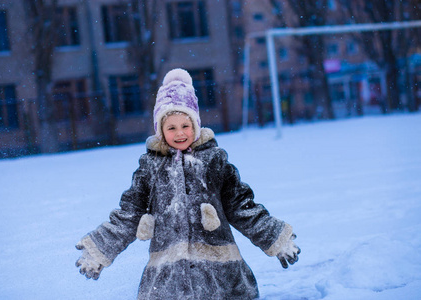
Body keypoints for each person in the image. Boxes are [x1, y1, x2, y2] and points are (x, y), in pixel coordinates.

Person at [75, 68, 301, 299]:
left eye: (186, 125)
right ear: (160, 130)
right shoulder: (150, 169)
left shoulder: (214, 162)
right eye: (171, 127)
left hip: (218, 275)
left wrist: (276, 237)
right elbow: (129, 214)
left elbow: (241, 206)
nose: (180, 133)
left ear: (196, 125)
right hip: (168, 280)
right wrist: (99, 249)